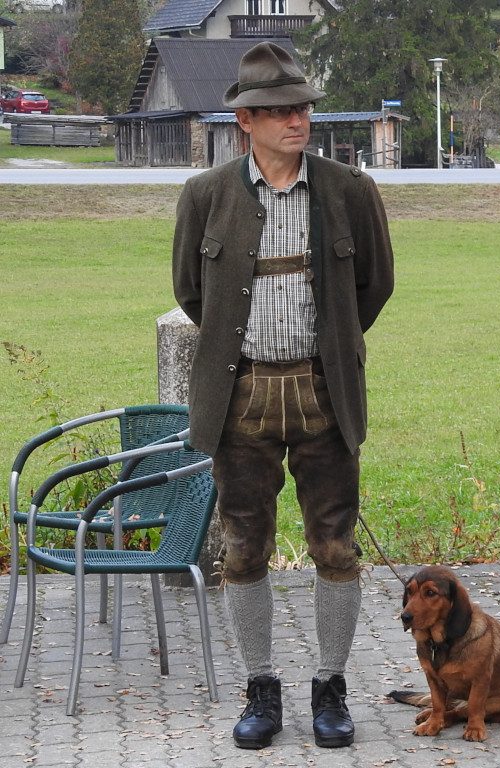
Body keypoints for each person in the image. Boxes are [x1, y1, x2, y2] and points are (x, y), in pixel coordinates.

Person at [172, 41, 394, 751]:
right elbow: (189, 290)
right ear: (247, 120)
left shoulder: (349, 190)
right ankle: (260, 687)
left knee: (335, 544)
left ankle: (330, 686)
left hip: (324, 393)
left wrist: (329, 347)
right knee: (243, 549)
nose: (296, 120)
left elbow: (375, 286)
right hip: (240, 398)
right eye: (279, 110)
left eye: (301, 107)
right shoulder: (206, 195)